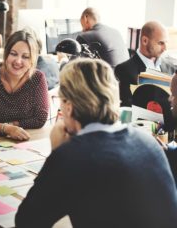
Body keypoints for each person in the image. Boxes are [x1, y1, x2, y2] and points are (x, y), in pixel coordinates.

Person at [15, 58, 177, 228]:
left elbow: (27, 221)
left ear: (69, 107)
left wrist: (57, 152)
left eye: (61, 101)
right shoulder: (148, 142)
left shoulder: (72, 156)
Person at [0, 30, 49, 141]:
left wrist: (13, 125)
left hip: (22, 141)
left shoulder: (37, 78)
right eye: (13, 54)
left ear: (32, 60)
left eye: (25, 57)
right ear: (6, 54)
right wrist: (7, 129)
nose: (18, 61)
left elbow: (40, 118)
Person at [115, 21, 175, 106]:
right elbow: (126, 107)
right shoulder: (124, 70)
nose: (165, 48)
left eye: (166, 43)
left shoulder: (172, 68)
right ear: (145, 41)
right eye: (161, 43)